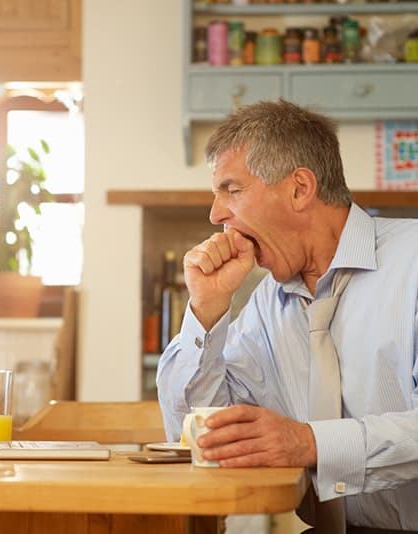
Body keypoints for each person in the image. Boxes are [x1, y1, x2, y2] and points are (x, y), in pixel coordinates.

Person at [156, 99, 418, 531]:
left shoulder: (412, 262)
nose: (215, 214)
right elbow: (200, 432)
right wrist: (205, 310)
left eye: (231, 190)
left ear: (300, 188)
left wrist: (310, 443)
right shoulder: (267, 301)